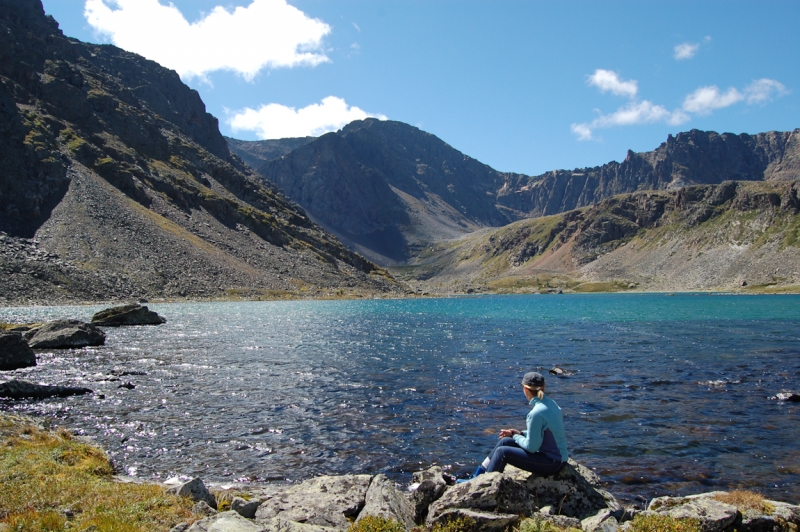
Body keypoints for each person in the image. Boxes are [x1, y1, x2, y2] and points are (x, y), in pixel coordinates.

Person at [459, 371, 568, 482]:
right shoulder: (551, 403)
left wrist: (515, 436)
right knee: (505, 441)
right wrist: (519, 433)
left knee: (502, 453)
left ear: (525, 389)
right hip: (556, 459)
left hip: (553, 463)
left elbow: (532, 447)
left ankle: (484, 483)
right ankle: (476, 477)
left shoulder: (535, 413)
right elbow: (543, 433)